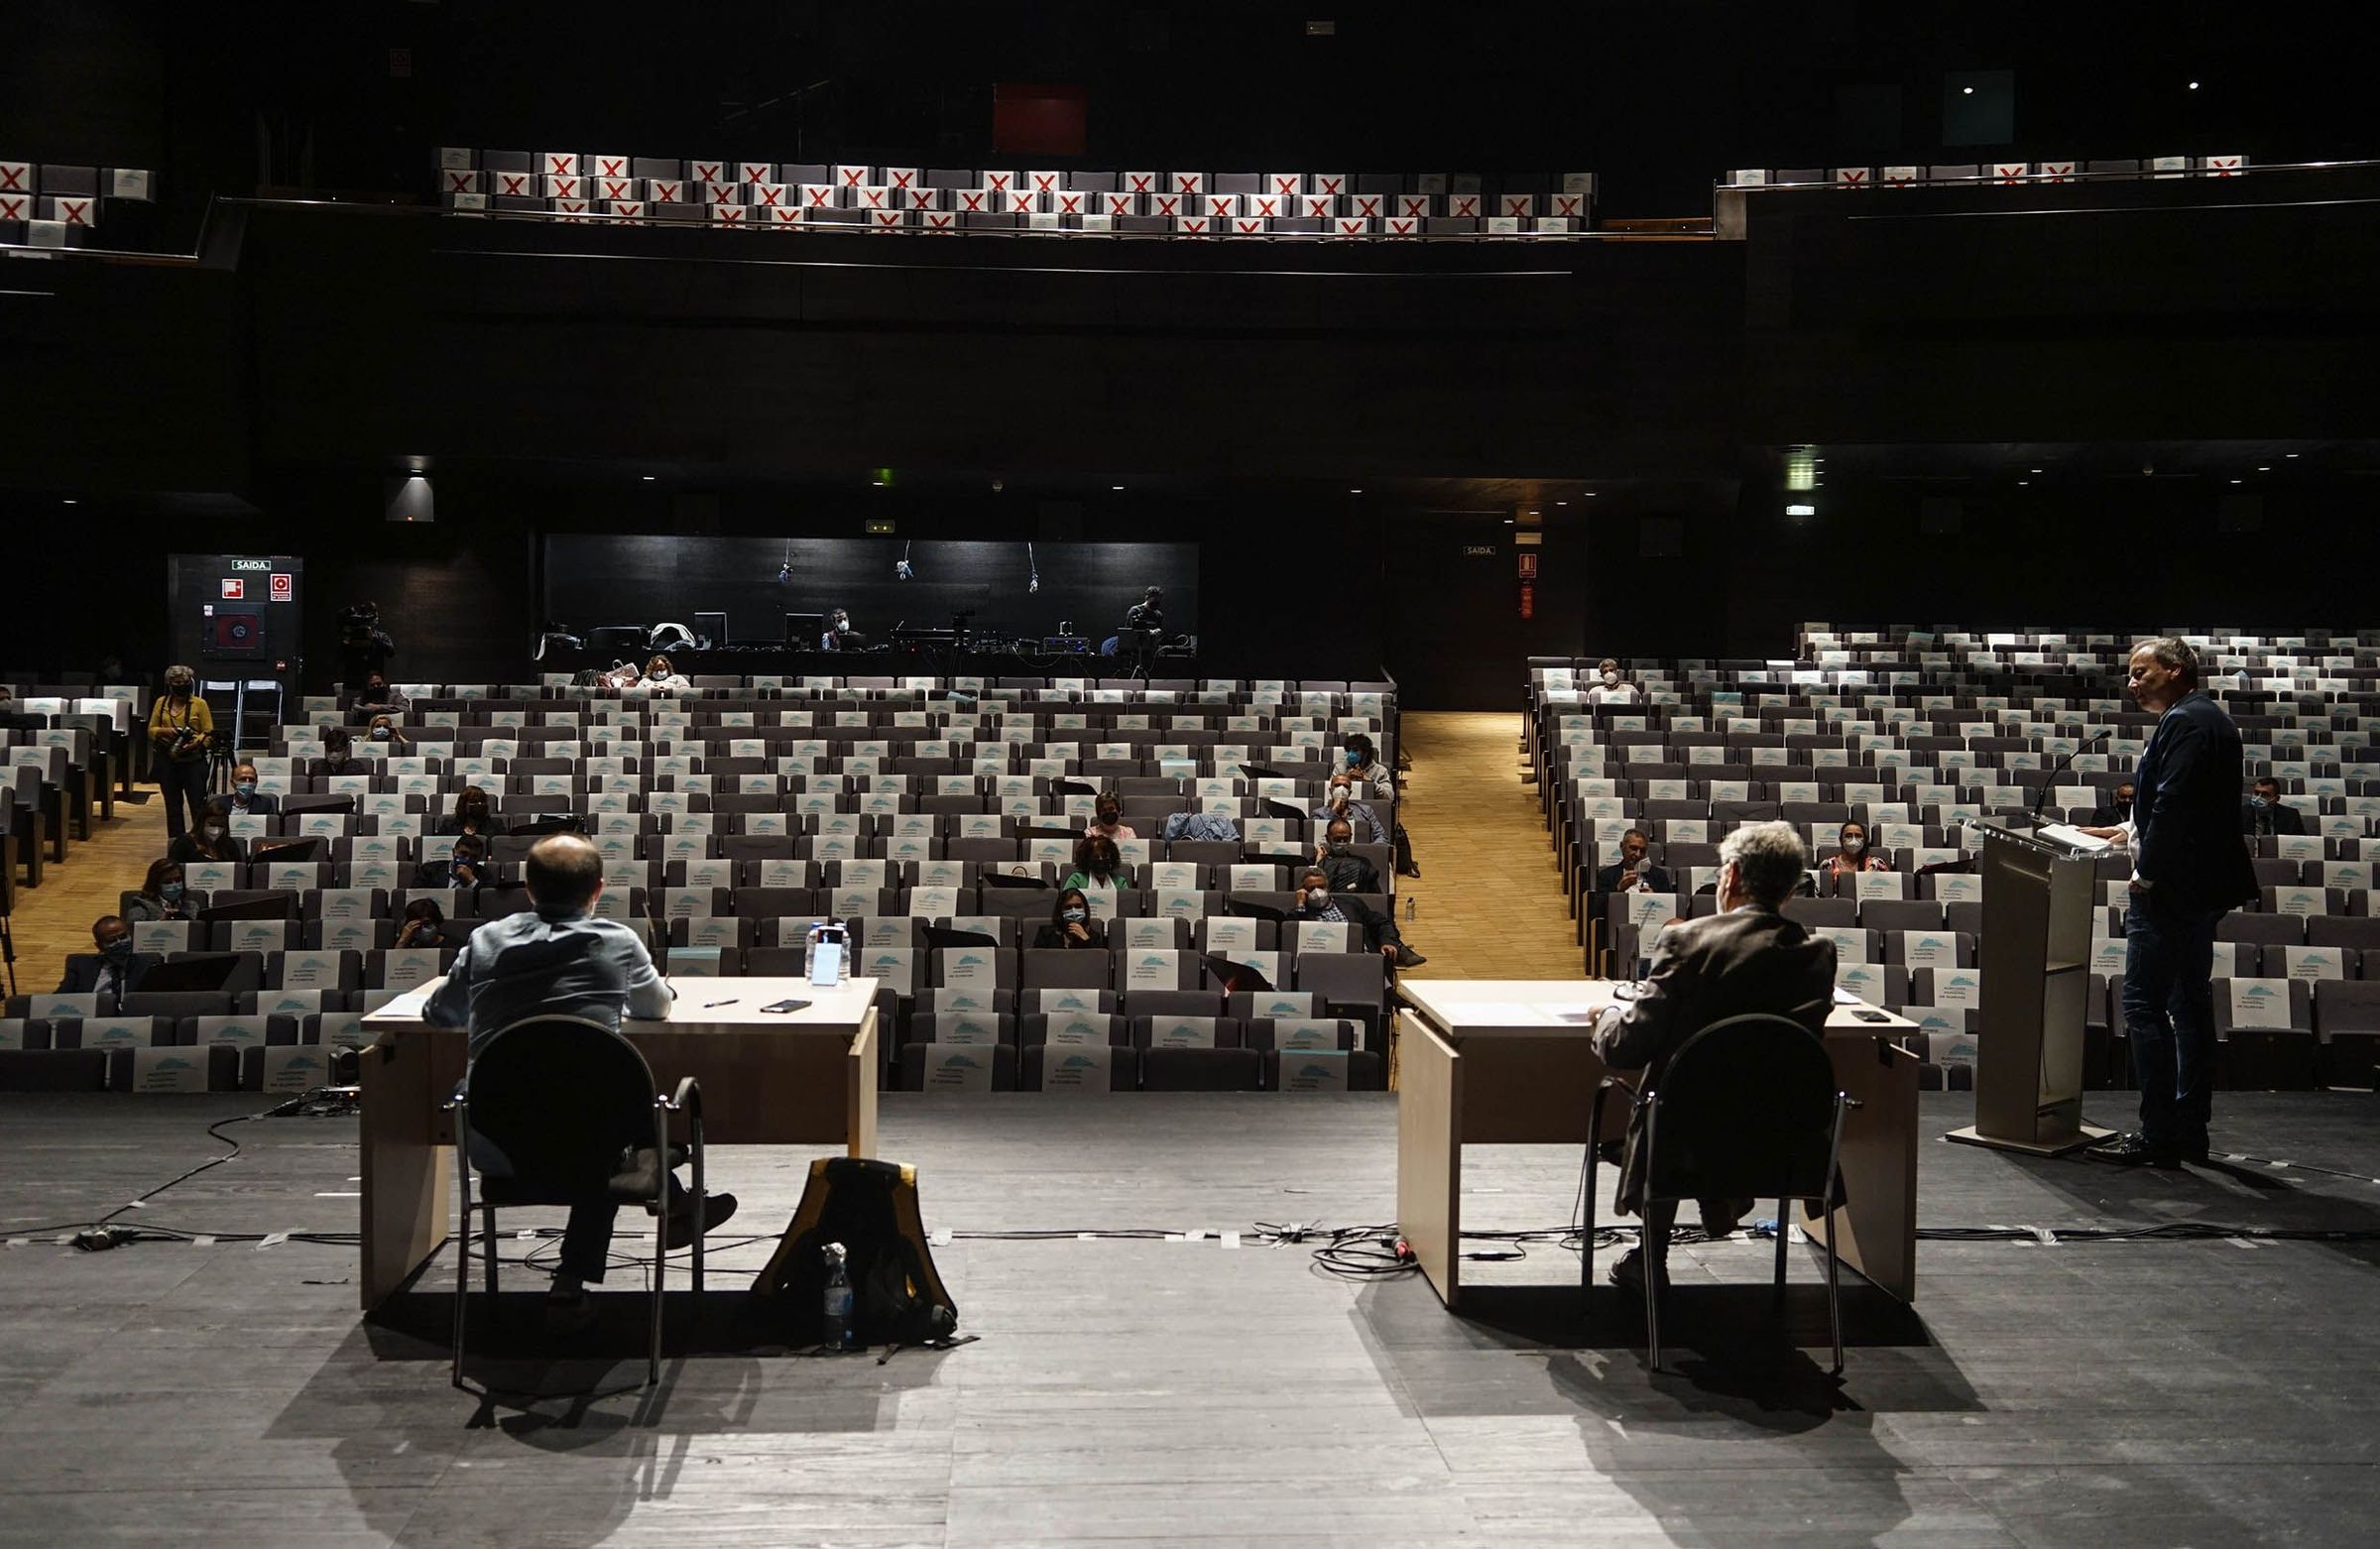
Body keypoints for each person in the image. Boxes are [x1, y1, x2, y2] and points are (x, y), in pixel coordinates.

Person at [422, 833, 731, 1324]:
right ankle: (660, 1213)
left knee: (582, 1106)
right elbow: (656, 1006)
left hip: (494, 1141)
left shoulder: (484, 942)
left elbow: (439, 1014)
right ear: (598, 890)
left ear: (527, 887)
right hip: (594, 1144)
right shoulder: (618, 941)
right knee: (603, 1115)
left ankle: (668, 1212)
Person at [1590, 820, 1838, 1299]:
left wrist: (1602, 1018)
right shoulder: (1818, 954)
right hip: (1780, 1138)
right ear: (1789, 890)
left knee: (1673, 1089)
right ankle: (1719, 1198)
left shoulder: (1687, 941)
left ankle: (1654, 1256)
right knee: (1726, 1090)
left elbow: (1627, 1048)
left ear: (1731, 876)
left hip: (1685, 1140)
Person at [2082, 639, 2256, 1169]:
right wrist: (2125, 831)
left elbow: (2176, 804)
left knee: (2144, 1006)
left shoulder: (2185, 722)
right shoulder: (2207, 719)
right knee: (2188, 1004)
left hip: (2172, 890)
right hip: (2197, 888)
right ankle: (2188, 1130)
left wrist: (2147, 873)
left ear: (2175, 670)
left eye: (2141, 673)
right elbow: (2185, 806)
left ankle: (2158, 1133)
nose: (2131, 683)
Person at [1287, 865, 1424, 968]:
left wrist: (1387, 942)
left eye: (1321, 887)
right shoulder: (1299, 913)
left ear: (1328, 888)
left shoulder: (1351, 903)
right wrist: (1300, 904)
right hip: (1320, 963)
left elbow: (1381, 923)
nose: (1317, 892)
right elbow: (1291, 937)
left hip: (1360, 960)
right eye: (1311, 889)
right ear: (1303, 890)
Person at [147, 664, 214, 841]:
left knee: (198, 806)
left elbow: (208, 733)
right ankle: (177, 844)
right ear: (170, 684)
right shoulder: (161, 703)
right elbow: (151, 730)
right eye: (178, 682)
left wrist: (194, 743)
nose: (182, 685)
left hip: (193, 762)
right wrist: (165, 732)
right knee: (173, 807)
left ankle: (201, 842)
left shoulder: (200, 704)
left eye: (185, 682)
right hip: (167, 761)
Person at [56, 916, 163, 1000]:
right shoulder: (80, 965)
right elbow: (58, 998)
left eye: (123, 937)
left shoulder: (148, 964)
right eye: (112, 941)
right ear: (99, 946)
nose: (120, 943)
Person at [1594, 829, 1675, 896]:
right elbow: (1597, 910)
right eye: (1633, 848)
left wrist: (1654, 897)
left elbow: (1669, 906)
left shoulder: (1659, 875)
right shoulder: (1606, 876)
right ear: (1622, 847)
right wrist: (1618, 889)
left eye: (1642, 850)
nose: (1638, 854)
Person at [1317, 816, 1384, 895]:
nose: (1342, 842)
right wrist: (1318, 864)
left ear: (1350, 837)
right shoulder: (1318, 862)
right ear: (1328, 839)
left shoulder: (1362, 864)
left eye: (1346, 839)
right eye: (1337, 839)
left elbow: (1375, 896)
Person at [168, 797, 245, 866]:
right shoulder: (184, 843)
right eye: (212, 824)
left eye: (221, 826)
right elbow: (172, 871)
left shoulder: (229, 845)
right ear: (202, 822)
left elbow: (238, 873)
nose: (216, 829)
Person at [338, 601, 396, 689]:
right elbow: (341, 656)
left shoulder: (381, 636)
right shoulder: (350, 636)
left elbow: (390, 652)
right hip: (353, 681)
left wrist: (374, 638)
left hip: (375, 682)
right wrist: (347, 639)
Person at [1820, 821, 1891, 892]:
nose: (1853, 840)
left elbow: (1887, 890)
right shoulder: (1828, 864)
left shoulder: (1877, 864)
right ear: (1841, 840)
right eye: (1848, 836)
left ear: (1864, 840)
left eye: (1858, 836)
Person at [414, 831, 492, 891]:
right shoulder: (430, 870)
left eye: (474, 857)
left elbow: (487, 902)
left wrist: (471, 880)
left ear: (479, 858)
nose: (468, 859)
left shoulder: (485, 874)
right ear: (454, 852)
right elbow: (415, 895)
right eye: (464, 854)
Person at [1032, 888, 1108, 950]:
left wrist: (1085, 939)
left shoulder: (1094, 936)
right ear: (1060, 911)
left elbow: (1098, 962)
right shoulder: (1045, 934)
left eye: (1078, 906)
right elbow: (1038, 961)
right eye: (1068, 907)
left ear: (1085, 909)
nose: (1073, 911)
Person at [123, 860, 195, 923]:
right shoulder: (142, 906)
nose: (175, 885)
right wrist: (159, 923)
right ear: (156, 884)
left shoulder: (191, 906)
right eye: (167, 881)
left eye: (178, 880)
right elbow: (133, 932)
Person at [1059, 834, 1131, 895]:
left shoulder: (1120, 881)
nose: (1100, 859)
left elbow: (1125, 905)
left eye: (1104, 856)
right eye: (1095, 857)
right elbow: (1066, 902)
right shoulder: (1077, 879)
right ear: (1087, 859)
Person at [2240, 775, 2306, 837]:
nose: (2258, 798)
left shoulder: (2291, 816)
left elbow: (2299, 840)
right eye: (2256, 793)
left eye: (2265, 794)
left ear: (2277, 798)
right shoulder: (2241, 813)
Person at [436, 785, 508, 838]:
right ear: (463, 804)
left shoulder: (496, 824)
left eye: (482, 802)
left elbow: (501, 849)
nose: (479, 805)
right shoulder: (448, 825)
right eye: (474, 802)